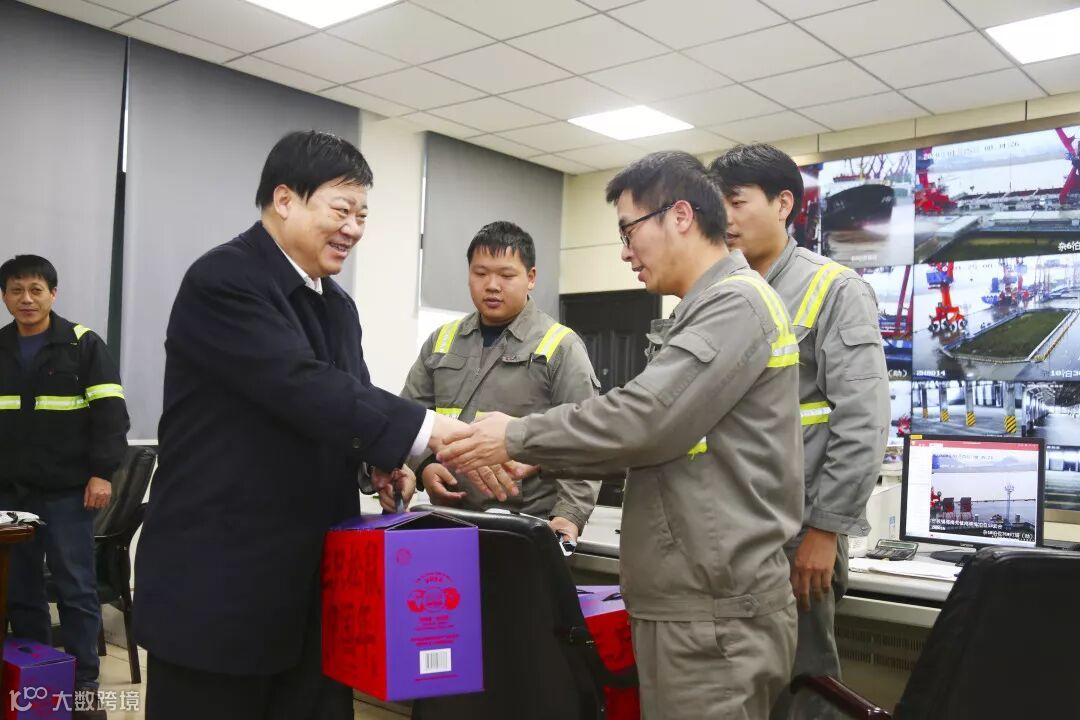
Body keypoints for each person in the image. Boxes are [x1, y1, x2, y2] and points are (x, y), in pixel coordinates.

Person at [438, 151, 804, 719]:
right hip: (690, 602)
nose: (626, 251)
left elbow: (644, 420)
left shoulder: (736, 304)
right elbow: (655, 434)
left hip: (714, 612)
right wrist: (539, 454)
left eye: (629, 231)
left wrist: (516, 436)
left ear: (679, 216)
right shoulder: (703, 309)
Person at [133, 131, 470, 720]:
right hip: (221, 588)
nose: (354, 229)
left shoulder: (337, 305)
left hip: (312, 593)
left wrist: (383, 461)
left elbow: (349, 400)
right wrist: (430, 431)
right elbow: (300, 385)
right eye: (341, 210)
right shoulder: (224, 279)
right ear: (285, 199)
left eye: (362, 215)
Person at [710, 143, 890, 719]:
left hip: (798, 535)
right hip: (728, 531)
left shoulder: (833, 288)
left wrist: (826, 530)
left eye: (737, 202)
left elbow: (863, 420)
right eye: (717, 204)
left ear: (784, 203)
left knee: (803, 691)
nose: (725, 218)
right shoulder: (716, 292)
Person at [400, 220, 600, 541]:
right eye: (480, 273)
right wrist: (424, 467)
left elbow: (584, 440)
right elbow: (409, 417)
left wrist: (568, 515)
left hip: (525, 527)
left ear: (530, 278)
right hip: (450, 521)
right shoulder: (442, 341)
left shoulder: (560, 346)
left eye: (506, 275)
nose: (492, 285)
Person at [0, 255, 129, 720]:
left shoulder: (82, 344)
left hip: (68, 493)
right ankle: (37, 680)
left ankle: (84, 689)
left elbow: (111, 416)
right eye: (16, 290)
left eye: (36, 289)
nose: (27, 299)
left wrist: (102, 472)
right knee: (22, 591)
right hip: (11, 495)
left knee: (76, 589)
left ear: (52, 293)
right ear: (5, 297)